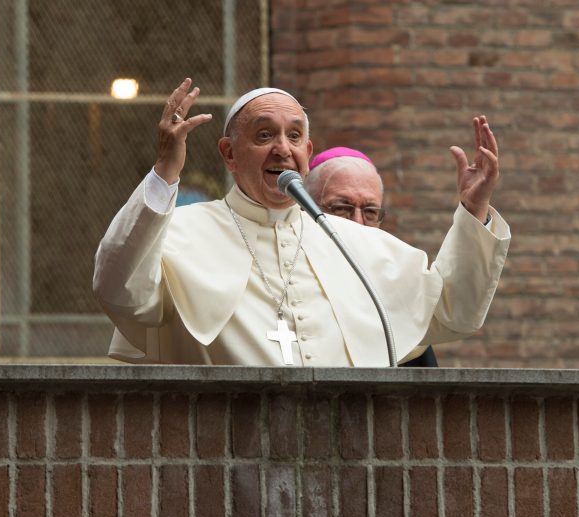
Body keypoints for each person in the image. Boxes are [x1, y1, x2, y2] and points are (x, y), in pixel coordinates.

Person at [93, 78, 511, 367]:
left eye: (294, 137)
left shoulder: (354, 242)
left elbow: (455, 311)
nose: (282, 149)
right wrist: (165, 171)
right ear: (229, 154)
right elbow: (120, 290)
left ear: (307, 152)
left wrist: (474, 209)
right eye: (263, 136)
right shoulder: (183, 233)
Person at [305, 146, 438, 367]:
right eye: (340, 208)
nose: (357, 223)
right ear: (305, 208)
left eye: (369, 212)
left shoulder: (394, 289)